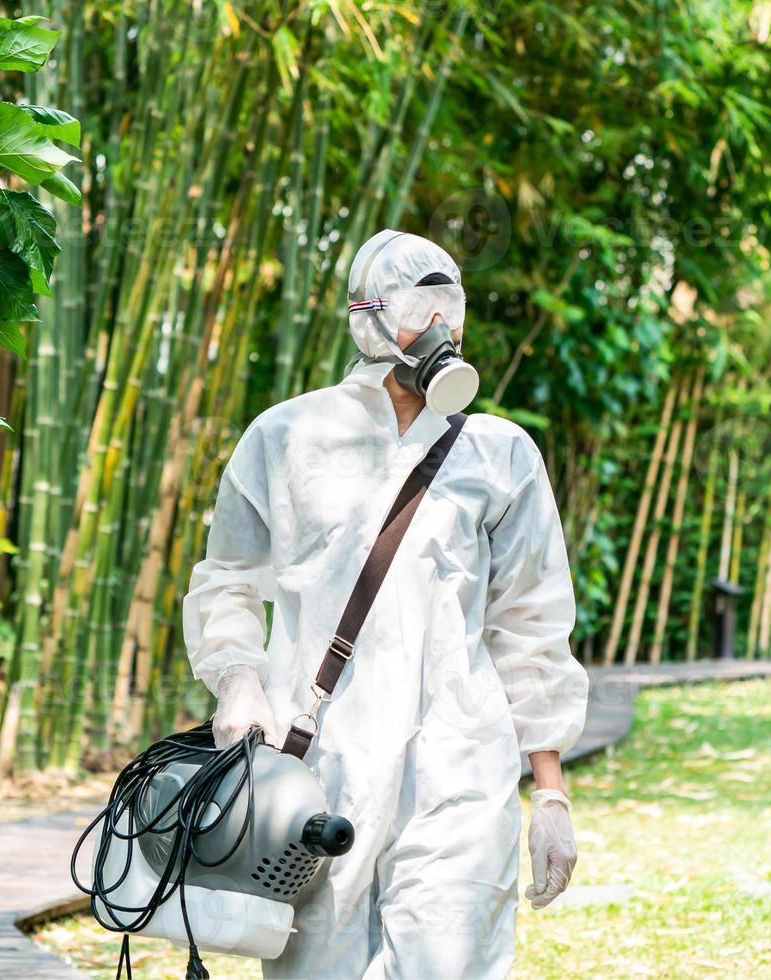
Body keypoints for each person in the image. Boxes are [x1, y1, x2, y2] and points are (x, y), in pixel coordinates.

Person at [182, 228, 589, 978]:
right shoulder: (286, 437)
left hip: (459, 766)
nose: (439, 328)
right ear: (369, 319)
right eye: (417, 308)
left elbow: (530, 625)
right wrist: (239, 674)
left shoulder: (498, 456)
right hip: (319, 767)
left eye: (449, 306)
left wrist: (552, 793)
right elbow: (227, 581)